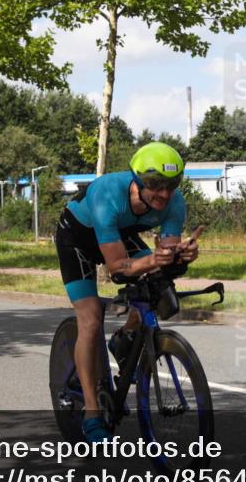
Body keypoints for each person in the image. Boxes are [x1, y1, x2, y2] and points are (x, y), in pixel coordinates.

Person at [55, 142, 199, 443]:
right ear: (136, 181)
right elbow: (117, 270)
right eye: (154, 185)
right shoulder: (109, 194)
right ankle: (92, 413)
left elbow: (165, 258)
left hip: (117, 235)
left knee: (158, 284)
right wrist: (150, 259)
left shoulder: (175, 203)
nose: (163, 193)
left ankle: (124, 339)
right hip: (77, 238)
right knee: (91, 319)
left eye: (170, 185)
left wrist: (181, 256)